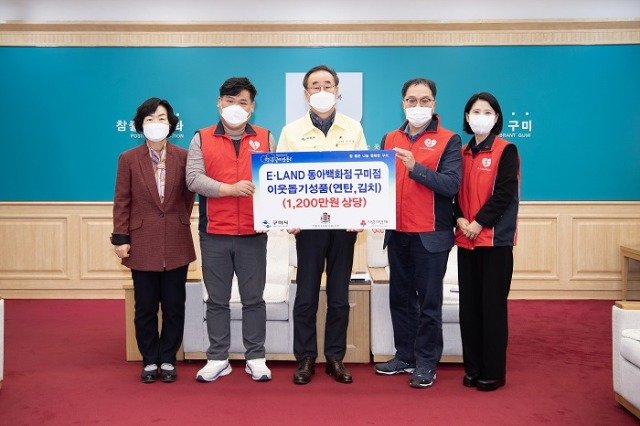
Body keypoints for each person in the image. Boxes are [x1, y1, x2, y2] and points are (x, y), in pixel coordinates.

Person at [277, 64, 368, 385]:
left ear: (337, 90)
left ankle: (335, 358)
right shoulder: (291, 131)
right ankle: (305, 358)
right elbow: (279, 179)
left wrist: (361, 214)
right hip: (308, 228)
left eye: (328, 84)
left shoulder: (353, 128)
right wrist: (288, 217)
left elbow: (364, 176)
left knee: (339, 297)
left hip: (344, 227)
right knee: (306, 296)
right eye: (315, 85)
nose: (322, 90)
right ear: (306, 93)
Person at [373, 78, 462, 389]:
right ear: (403, 104)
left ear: (434, 104)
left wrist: (416, 168)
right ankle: (405, 356)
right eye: (412, 100)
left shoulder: (450, 140)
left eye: (425, 100)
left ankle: (426, 362)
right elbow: (379, 184)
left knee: (428, 304)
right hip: (398, 233)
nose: (418, 106)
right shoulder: (389, 138)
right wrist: (372, 212)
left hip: (430, 235)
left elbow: (451, 185)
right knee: (400, 299)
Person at [186, 77, 275, 383]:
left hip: (253, 234)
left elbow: (277, 181)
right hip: (215, 233)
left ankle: (256, 358)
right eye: (230, 100)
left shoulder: (266, 137)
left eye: (243, 102)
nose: (236, 107)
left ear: (252, 107)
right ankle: (217, 358)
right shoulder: (201, 137)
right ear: (219, 103)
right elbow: (193, 178)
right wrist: (229, 189)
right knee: (217, 300)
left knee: (254, 300)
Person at [112, 97, 196, 383]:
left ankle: (168, 358)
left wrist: (176, 220)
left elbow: (187, 198)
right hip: (141, 240)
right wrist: (121, 237)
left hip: (176, 239)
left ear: (171, 124)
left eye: (161, 118)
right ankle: (149, 360)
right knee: (145, 306)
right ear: (140, 125)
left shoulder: (184, 156)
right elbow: (122, 200)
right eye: (150, 119)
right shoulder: (128, 158)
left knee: (174, 304)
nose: (156, 123)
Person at [454, 92, 520, 392]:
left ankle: (493, 372)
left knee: (492, 308)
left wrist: (478, 223)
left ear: (497, 118)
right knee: (469, 309)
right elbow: (452, 191)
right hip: (465, 240)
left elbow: (504, 194)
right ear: (467, 117)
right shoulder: (461, 152)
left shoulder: (507, 150)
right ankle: (473, 367)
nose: (481, 117)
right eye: (475, 111)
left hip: (494, 242)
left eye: (487, 112)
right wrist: (459, 219)